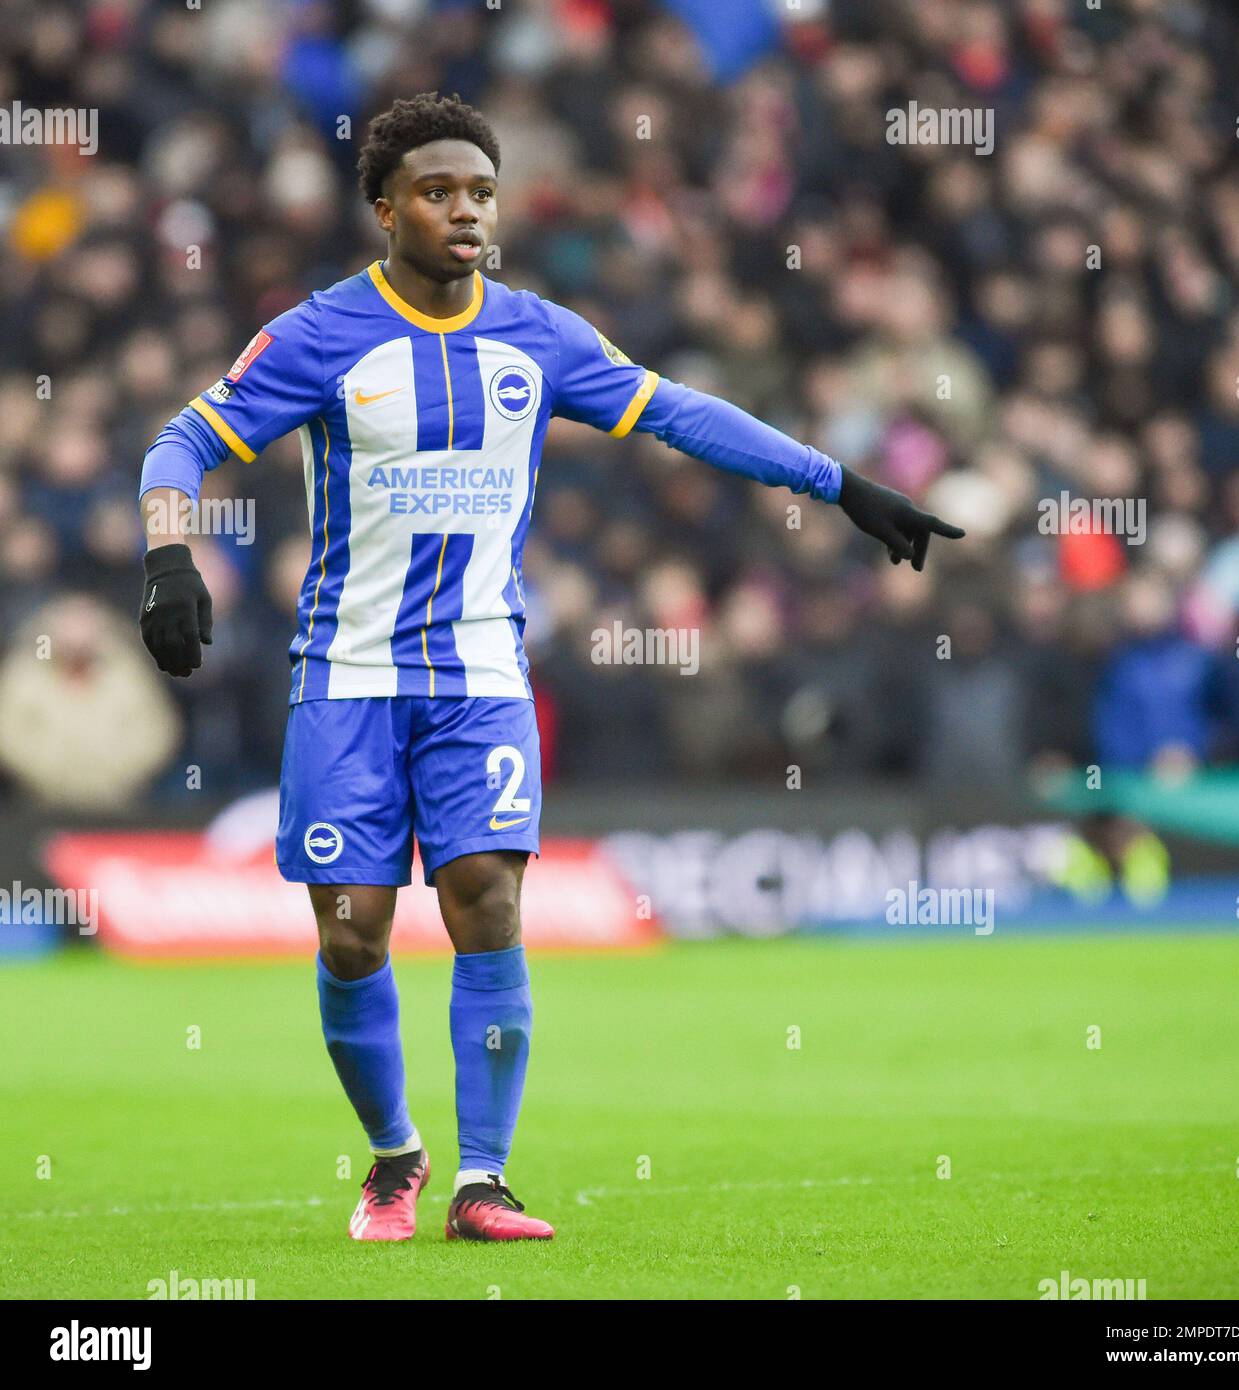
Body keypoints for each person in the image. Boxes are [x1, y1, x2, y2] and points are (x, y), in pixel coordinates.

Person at [135, 93, 963, 1244]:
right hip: (348, 680)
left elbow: (679, 413)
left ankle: (483, 1181)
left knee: (487, 902)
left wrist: (839, 485)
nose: (464, 210)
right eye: (436, 191)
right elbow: (180, 438)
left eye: (479, 191)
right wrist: (169, 553)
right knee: (351, 932)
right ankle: (392, 1157)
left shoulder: (538, 335)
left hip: (479, 681)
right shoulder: (319, 337)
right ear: (385, 209)